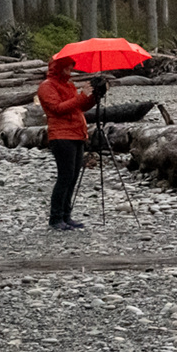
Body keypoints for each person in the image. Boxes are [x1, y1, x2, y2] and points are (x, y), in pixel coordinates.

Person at [38, 57, 104, 231]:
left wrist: (94, 97)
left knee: (72, 178)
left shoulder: (69, 85)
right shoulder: (47, 86)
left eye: (71, 66)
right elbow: (58, 108)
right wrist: (82, 95)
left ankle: (66, 216)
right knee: (65, 177)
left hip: (76, 134)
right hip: (61, 136)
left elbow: (78, 107)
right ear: (58, 67)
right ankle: (56, 218)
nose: (70, 69)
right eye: (67, 67)